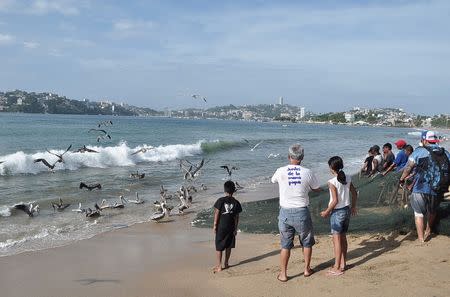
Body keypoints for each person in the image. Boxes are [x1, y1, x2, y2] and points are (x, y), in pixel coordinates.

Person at [271, 144, 321, 282]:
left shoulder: (280, 170)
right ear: (302, 157)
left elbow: (273, 180)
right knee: (306, 242)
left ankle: (283, 274)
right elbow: (316, 188)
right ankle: (306, 269)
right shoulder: (308, 172)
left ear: (289, 157)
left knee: (285, 245)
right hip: (302, 212)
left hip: (285, 212)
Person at [400, 131, 450, 242]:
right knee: (432, 211)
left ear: (424, 140)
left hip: (420, 187)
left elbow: (408, 168)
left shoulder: (419, 151)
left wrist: (402, 178)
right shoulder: (445, 152)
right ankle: (428, 230)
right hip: (437, 188)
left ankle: (421, 239)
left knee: (418, 213)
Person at [320, 156, 358, 276]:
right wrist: (353, 206)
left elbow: (335, 201)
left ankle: (337, 267)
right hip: (346, 210)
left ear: (332, 168)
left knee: (336, 241)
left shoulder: (332, 182)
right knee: (343, 238)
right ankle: (343, 264)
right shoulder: (348, 178)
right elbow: (354, 192)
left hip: (337, 212)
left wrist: (326, 211)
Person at [213, 180, 242, 273]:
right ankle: (226, 263)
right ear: (233, 191)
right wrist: (235, 228)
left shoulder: (220, 200)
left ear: (225, 190)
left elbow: (217, 213)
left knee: (219, 246)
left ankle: (219, 266)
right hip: (231, 227)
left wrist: (214, 225)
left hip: (221, 227)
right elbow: (237, 217)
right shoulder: (236, 202)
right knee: (228, 245)